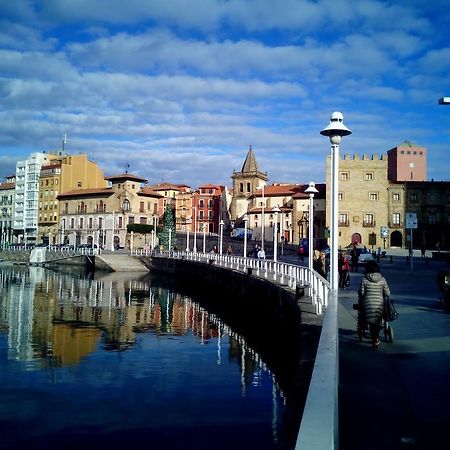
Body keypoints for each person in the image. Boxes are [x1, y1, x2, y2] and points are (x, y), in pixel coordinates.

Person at [358, 260, 391, 349]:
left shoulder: (364, 279)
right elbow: (387, 293)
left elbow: (361, 293)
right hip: (379, 305)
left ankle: (370, 335)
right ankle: (375, 340)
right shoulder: (382, 279)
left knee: (369, 321)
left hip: (367, 304)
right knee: (376, 322)